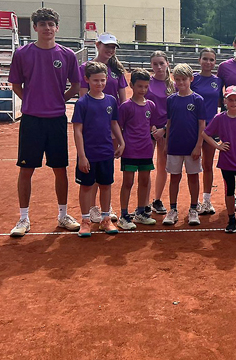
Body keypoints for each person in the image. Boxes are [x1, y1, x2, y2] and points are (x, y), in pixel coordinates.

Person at [8, 7, 81, 237]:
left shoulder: (67, 55)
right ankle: (23, 219)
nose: (47, 28)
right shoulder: (22, 53)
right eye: (43, 24)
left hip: (57, 119)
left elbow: (76, 86)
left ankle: (62, 215)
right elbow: (16, 85)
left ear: (57, 28)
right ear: (35, 28)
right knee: (26, 169)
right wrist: (32, 101)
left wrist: (60, 99)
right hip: (31, 120)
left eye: (51, 24)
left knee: (60, 169)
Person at [73, 62, 124, 237]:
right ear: (87, 79)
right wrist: (81, 156)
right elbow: (77, 130)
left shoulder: (111, 100)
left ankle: (105, 220)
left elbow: (114, 123)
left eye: (102, 80)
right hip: (88, 153)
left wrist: (121, 142)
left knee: (106, 185)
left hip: (106, 152)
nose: (99, 84)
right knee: (87, 186)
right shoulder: (82, 103)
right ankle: (86, 221)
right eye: (95, 80)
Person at [203, 85, 236, 235]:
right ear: (225, 101)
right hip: (227, 162)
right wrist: (218, 146)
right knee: (229, 190)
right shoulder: (220, 118)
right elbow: (205, 134)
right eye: (230, 100)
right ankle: (231, 219)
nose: (233, 103)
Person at [162, 64, 206, 227]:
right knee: (174, 178)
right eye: (178, 79)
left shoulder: (197, 100)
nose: (181, 83)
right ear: (174, 80)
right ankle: (172, 210)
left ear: (191, 79)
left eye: (184, 79)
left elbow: (202, 125)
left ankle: (193, 209)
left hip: (191, 146)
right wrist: (167, 144)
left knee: (193, 177)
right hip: (174, 145)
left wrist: (198, 146)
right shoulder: (171, 100)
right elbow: (169, 122)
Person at [117, 69, 158, 230]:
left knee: (144, 181)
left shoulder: (151, 105)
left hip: (146, 149)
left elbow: (151, 125)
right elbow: (118, 127)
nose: (143, 90)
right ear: (131, 85)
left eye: (146, 87)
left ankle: (141, 212)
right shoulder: (125, 107)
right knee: (128, 182)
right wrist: (120, 145)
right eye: (139, 86)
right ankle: (124, 215)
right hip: (130, 150)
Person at [191, 47, 221, 216]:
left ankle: (207, 200)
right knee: (193, 165)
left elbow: (219, 102)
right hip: (192, 127)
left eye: (211, 60)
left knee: (207, 165)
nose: (208, 62)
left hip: (211, 128)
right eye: (205, 59)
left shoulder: (218, 81)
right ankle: (193, 204)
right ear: (199, 60)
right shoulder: (192, 79)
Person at [149, 51, 175, 215]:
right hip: (148, 129)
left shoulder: (173, 85)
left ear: (167, 63)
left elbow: (175, 111)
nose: (159, 67)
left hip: (167, 128)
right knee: (145, 165)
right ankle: (143, 203)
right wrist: (152, 127)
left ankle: (157, 200)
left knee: (162, 165)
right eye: (155, 64)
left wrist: (164, 129)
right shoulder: (148, 83)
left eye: (161, 63)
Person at [79, 33, 127, 104]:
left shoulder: (117, 68)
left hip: (113, 112)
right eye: (107, 46)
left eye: (113, 47)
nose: (110, 50)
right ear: (97, 45)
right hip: (93, 111)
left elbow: (123, 99)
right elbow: (83, 96)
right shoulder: (84, 68)